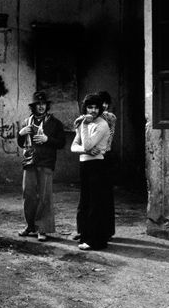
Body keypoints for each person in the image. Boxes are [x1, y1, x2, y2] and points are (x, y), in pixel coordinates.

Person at [16, 91, 66, 242]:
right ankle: (30, 226)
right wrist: (20, 133)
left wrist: (47, 139)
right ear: (33, 106)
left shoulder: (55, 123)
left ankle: (42, 228)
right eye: (38, 104)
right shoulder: (26, 122)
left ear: (47, 106)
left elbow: (61, 143)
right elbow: (20, 143)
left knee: (44, 196)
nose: (41, 107)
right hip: (29, 162)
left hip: (46, 163)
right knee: (28, 194)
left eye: (43, 104)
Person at [71, 90, 117, 241]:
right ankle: (83, 230)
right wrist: (86, 148)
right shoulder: (86, 119)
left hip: (103, 155)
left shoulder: (108, 118)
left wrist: (84, 120)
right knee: (86, 198)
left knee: (102, 198)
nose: (97, 108)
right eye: (91, 106)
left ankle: (104, 231)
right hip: (88, 156)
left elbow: (99, 140)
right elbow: (77, 144)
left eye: (102, 104)